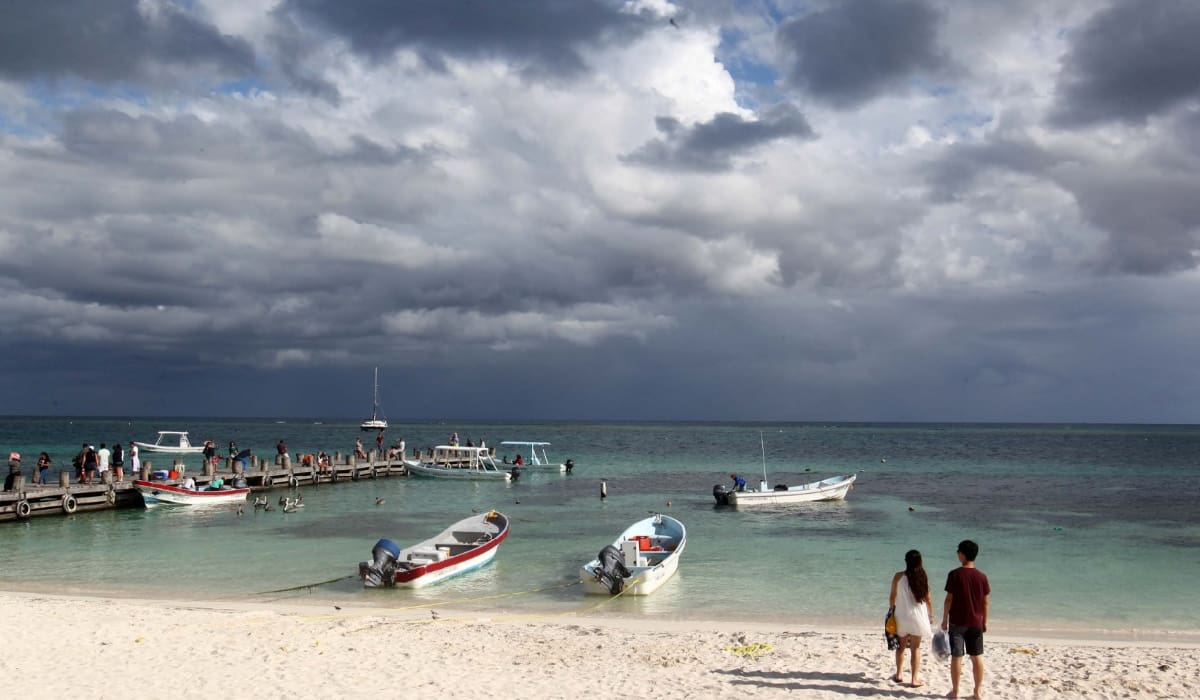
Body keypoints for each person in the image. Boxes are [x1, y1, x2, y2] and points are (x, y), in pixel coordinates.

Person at [942, 540, 991, 700]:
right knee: (976, 656)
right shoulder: (982, 576)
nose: (957, 554)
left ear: (962, 554)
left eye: (958, 552)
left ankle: (955, 692)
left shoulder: (955, 574)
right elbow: (985, 602)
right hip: (976, 621)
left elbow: (949, 599)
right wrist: (985, 621)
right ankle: (977, 692)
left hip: (957, 621)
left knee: (957, 656)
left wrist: (944, 619)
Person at [889, 550, 934, 687]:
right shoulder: (922, 576)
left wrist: (891, 611)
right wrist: (931, 615)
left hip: (901, 616)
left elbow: (892, 597)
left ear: (906, 561)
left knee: (901, 647)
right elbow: (928, 599)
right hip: (918, 617)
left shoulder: (898, 576)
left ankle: (899, 674)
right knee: (915, 648)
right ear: (920, 562)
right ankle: (914, 679)